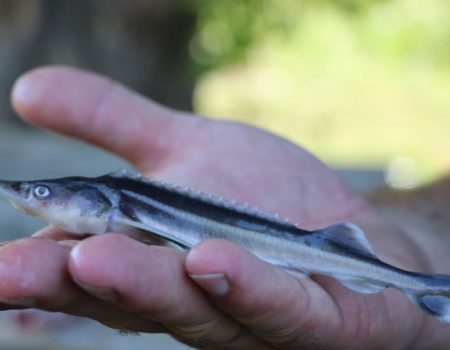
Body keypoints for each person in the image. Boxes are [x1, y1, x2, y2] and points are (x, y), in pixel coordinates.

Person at [0, 66, 447, 349]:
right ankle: (424, 281)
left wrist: (419, 261)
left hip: (310, 250)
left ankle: (420, 284)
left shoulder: (125, 208)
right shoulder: (115, 208)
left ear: (97, 204)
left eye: (41, 193)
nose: (33, 198)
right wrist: (421, 242)